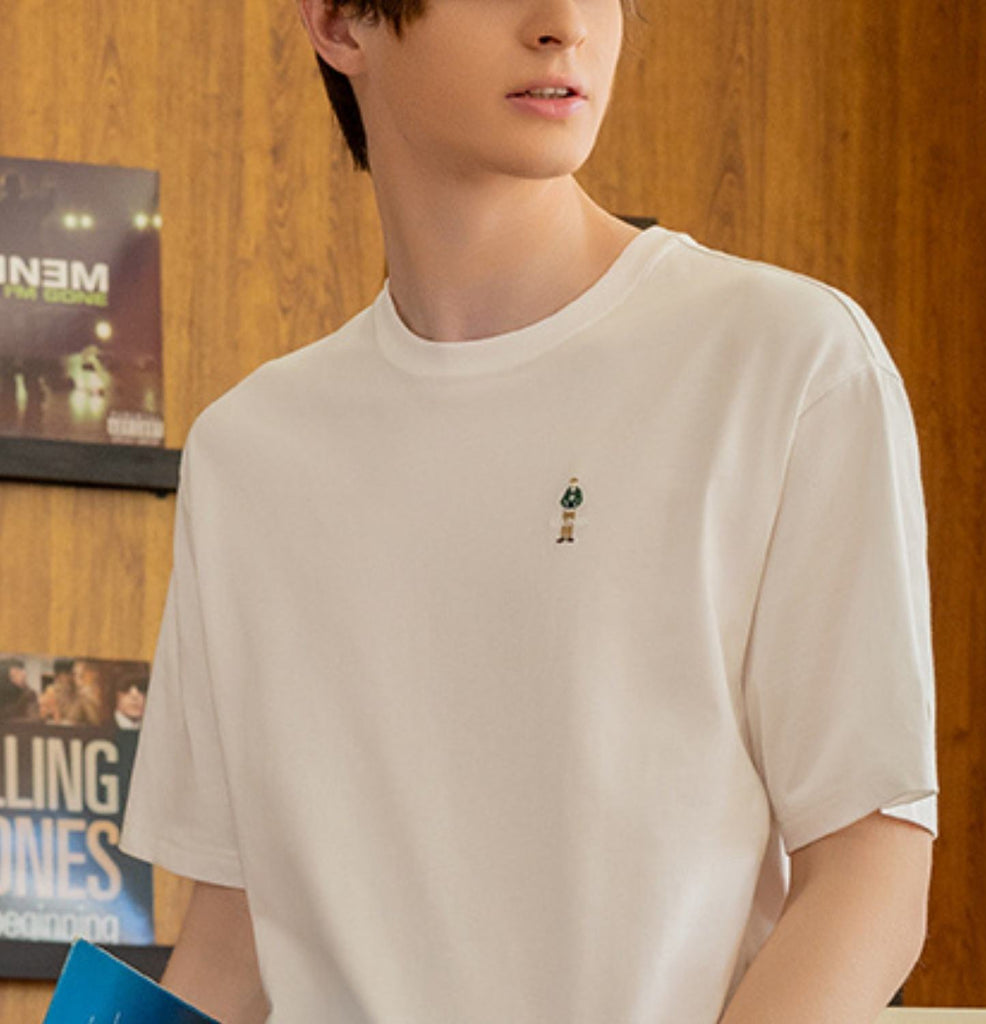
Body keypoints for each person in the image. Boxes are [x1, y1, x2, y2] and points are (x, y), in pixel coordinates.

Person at [120, 2, 938, 1022]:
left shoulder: (784, 363)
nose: (563, 24)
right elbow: (235, 940)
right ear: (339, 23)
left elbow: (869, 868)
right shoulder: (251, 453)